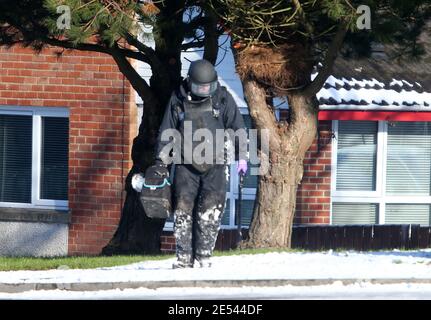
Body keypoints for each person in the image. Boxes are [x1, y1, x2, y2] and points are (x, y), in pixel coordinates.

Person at [154, 59, 248, 268]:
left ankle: (204, 257)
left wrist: (242, 156)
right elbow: (167, 131)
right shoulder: (177, 100)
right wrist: (161, 162)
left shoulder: (222, 98)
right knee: (183, 211)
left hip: (215, 165)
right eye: (200, 87)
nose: (205, 90)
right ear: (190, 82)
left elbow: (237, 126)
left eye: (208, 87)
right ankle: (184, 259)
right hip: (185, 165)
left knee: (210, 210)